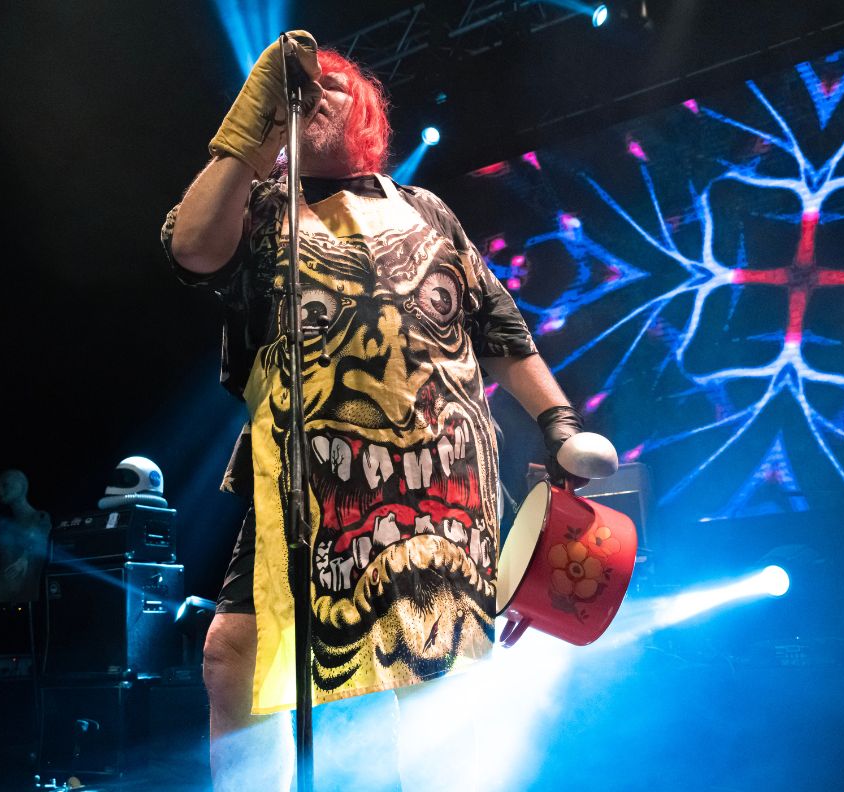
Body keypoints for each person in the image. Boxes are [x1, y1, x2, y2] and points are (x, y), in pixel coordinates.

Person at [161, 31, 601, 790]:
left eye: (328, 86)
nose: (311, 96)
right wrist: (249, 132)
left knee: (427, 670)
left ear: (364, 106)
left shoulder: (425, 208)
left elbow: (497, 329)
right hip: (308, 471)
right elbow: (193, 248)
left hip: (439, 467)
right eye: (296, 92)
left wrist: (558, 423)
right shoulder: (259, 203)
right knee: (234, 651)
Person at [0, 469, 50, 602]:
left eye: (5, 485)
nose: (0, 492)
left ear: (22, 486)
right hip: (3, 585)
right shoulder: (5, 524)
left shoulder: (39, 517)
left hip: (24, 588)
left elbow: (38, 544)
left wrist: (24, 559)